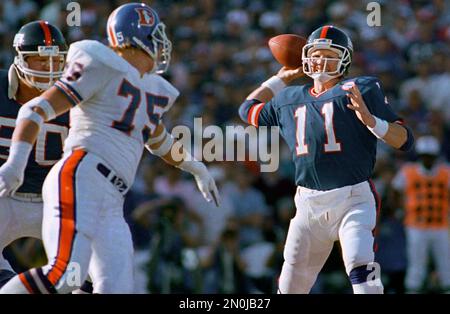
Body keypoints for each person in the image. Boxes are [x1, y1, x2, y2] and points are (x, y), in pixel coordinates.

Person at [0, 3, 219, 294]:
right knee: (66, 275)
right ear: (136, 38)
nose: (161, 46)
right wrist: (15, 164)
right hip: (79, 177)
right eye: (154, 37)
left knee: (115, 287)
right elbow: (33, 110)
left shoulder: (148, 86)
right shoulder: (97, 60)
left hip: (111, 198)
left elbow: (159, 140)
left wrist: (196, 167)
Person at [238, 25, 414, 294]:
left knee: (360, 263)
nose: (321, 60)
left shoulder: (361, 88)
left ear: (344, 59)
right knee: (290, 283)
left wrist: (372, 122)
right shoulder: (288, 97)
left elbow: (404, 139)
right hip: (308, 203)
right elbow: (247, 110)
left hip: (353, 198)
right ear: (305, 57)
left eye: (329, 55)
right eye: (316, 54)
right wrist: (280, 78)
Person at [0, 20, 71, 287]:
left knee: (95, 264)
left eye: (55, 60)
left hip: (53, 199)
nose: (49, 67)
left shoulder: (77, 98)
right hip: (3, 194)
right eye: (40, 59)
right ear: (19, 58)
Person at [392, 135, 450, 293]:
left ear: (436, 156)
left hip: (441, 225)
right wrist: (399, 209)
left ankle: (446, 287)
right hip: (416, 224)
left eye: (430, 156)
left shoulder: (446, 172)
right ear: (420, 156)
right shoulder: (408, 171)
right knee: (417, 261)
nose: (428, 160)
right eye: (425, 156)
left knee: (445, 261)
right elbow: (395, 190)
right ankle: (413, 288)